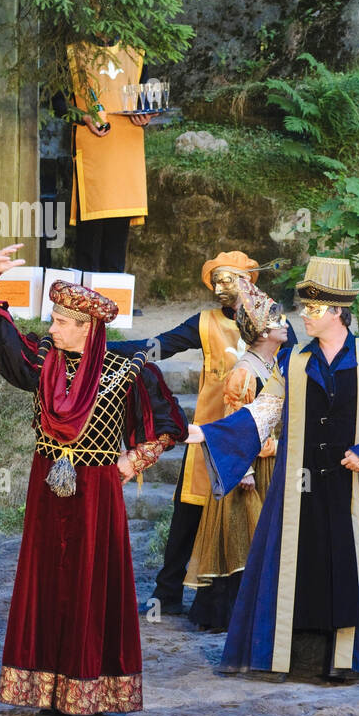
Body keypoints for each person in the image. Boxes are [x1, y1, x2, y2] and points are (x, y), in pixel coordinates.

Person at [0, 243, 187, 716]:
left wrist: (134, 459)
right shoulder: (43, 364)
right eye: (53, 319)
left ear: (89, 328)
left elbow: (170, 424)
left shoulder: (126, 372)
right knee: (48, 583)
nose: (51, 328)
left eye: (63, 322)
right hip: (48, 488)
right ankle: (47, 689)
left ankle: (88, 693)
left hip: (95, 494)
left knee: (91, 583)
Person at [186, 256, 359, 682]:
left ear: (335, 312)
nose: (303, 317)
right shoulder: (292, 361)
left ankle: (344, 662)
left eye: (313, 309)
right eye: (304, 307)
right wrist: (208, 434)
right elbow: (263, 411)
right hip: (298, 489)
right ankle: (296, 661)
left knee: (348, 565)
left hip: (351, 489)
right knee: (298, 567)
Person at [108, 251, 292, 616]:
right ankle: (168, 593)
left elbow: (293, 369)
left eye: (230, 279)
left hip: (257, 436)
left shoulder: (274, 320)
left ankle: (238, 597)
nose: (221, 287)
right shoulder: (205, 321)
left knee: (249, 517)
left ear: (249, 281)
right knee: (187, 512)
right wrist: (100, 349)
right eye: (216, 281)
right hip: (208, 432)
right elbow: (158, 346)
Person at [184, 279, 288, 632]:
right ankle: (227, 613)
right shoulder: (244, 372)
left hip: (268, 461)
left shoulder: (272, 366)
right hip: (250, 468)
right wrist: (243, 470)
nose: (285, 325)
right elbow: (234, 422)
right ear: (262, 332)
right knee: (243, 535)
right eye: (277, 322)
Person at [67, 40, 151, 273]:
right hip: (93, 148)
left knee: (118, 226)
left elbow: (145, 99)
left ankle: (113, 300)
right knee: (91, 230)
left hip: (125, 149)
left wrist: (145, 114)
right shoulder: (74, 53)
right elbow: (57, 103)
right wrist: (84, 117)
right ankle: (86, 302)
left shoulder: (136, 53)